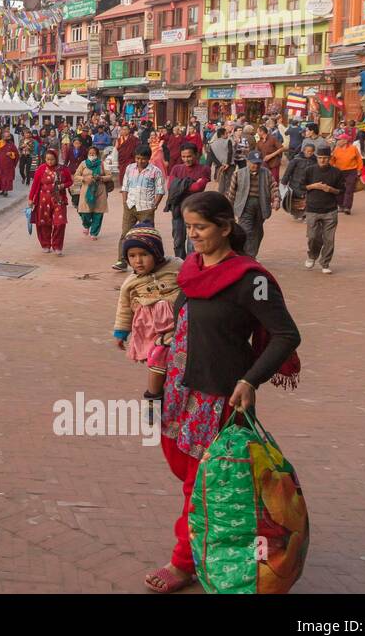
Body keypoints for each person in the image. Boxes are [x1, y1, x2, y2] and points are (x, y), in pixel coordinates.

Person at [145, 191, 301, 593]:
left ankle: (184, 562)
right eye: (188, 226)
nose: (191, 234)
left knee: (201, 481)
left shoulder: (252, 280)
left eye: (200, 227)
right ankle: (218, 542)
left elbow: (286, 334)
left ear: (225, 228)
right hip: (181, 388)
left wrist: (250, 380)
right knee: (189, 473)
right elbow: (186, 313)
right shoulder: (193, 269)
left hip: (220, 395)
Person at [112, 223, 181, 408]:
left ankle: (169, 393)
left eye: (144, 255)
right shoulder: (131, 282)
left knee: (171, 361)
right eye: (132, 256)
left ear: (157, 254)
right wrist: (120, 332)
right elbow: (124, 307)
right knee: (157, 360)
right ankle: (154, 399)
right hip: (150, 328)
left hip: (177, 324)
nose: (138, 261)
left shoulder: (175, 266)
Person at [113, 146, 165, 272]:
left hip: (146, 208)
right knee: (125, 234)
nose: (140, 161)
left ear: (148, 158)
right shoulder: (130, 168)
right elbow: (125, 186)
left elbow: (160, 190)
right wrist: (125, 202)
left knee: (147, 236)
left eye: (143, 159)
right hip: (130, 206)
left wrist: (154, 205)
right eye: (138, 158)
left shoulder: (155, 171)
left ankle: (152, 262)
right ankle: (122, 260)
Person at [226, 150, 279, 258]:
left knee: (257, 232)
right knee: (245, 231)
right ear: (247, 161)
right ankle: (244, 255)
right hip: (244, 205)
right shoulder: (238, 174)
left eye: (258, 163)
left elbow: (273, 186)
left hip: (261, 205)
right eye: (253, 163)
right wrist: (228, 208)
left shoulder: (266, 173)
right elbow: (231, 193)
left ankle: (251, 255)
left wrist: (277, 199)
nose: (256, 165)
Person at [301, 142, 344, 274]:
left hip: (330, 210)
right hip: (312, 209)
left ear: (330, 158)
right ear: (316, 157)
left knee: (329, 239)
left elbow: (342, 191)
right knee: (313, 237)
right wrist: (313, 186)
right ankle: (312, 256)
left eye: (325, 157)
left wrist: (330, 189)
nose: (322, 160)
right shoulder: (310, 170)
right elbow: (301, 186)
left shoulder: (336, 172)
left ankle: (325, 262)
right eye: (320, 157)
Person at [165, 143, 210, 259]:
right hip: (178, 210)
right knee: (178, 242)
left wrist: (180, 184)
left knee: (193, 243)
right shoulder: (176, 169)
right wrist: (192, 183)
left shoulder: (204, 169)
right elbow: (171, 187)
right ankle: (180, 265)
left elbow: (199, 187)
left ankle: (191, 265)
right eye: (183, 157)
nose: (186, 159)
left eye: (189, 156)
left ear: (196, 155)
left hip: (195, 211)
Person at [28, 148, 72, 255]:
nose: (50, 162)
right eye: (47, 159)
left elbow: (70, 181)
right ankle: (46, 244)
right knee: (43, 223)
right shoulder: (41, 169)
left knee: (60, 223)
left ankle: (57, 245)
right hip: (43, 200)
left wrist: (63, 185)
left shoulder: (63, 169)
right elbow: (35, 185)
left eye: (52, 159)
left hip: (58, 199)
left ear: (56, 158)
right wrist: (30, 198)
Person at [71, 145, 109, 241]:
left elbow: (109, 176)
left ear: (97, 154)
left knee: (98, 213)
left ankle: (94, 232)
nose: (92, 155)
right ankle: (86, 225)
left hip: (100, 191)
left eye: (94, 153)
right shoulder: (83, 163)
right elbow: (76, 175)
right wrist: (84, 178)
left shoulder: (102, 164)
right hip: (86, 190)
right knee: (84, 212)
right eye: (90, 153)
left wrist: (101, 178)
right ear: (87, 154)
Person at [281, 140, 317, 221]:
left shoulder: (315, 161)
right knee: (295, 201)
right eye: (307, 151)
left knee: (306, 200)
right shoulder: (296, 159)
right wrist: (284, 181)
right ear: (304, 151)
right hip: (295, 184)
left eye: (311, 152)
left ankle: (305, 215)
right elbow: (288, 171)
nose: (309, 153)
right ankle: (296, 214)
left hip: (308, 185)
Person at [329, 135, 363, 215]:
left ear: (345, 141)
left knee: (349, 189)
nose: (337, 141)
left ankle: (347, 207)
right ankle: (341, 205)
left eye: (339, 140)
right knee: (339, 189)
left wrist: (359, 169)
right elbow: (332, 161)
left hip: (351, 171)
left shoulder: (353, 148)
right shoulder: (336, 149)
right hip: (339, 171)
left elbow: (359, 159)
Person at [0, 127, 19, 196]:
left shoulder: (11, 144)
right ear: (3, 137)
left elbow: (16, 154)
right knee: (0, 177)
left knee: (7, 178)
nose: (8, 138)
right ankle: (2, 189)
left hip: (8, 165)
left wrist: (11, 153)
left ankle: (6, 191)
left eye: (9, 136)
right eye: (6, 136)